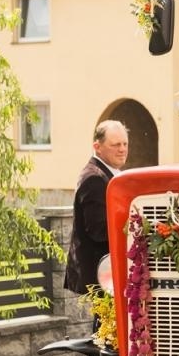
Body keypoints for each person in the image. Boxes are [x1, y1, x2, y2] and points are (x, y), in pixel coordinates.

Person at [64, 120, 129, 296]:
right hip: (101, 275)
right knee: (104, 324)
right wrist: (135, 235)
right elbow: (99, 230)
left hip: (106, 273)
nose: (122, 149)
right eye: (115, 145)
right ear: (97, 146)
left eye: (125, 144)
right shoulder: (94, 178)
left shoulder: (110, 173)